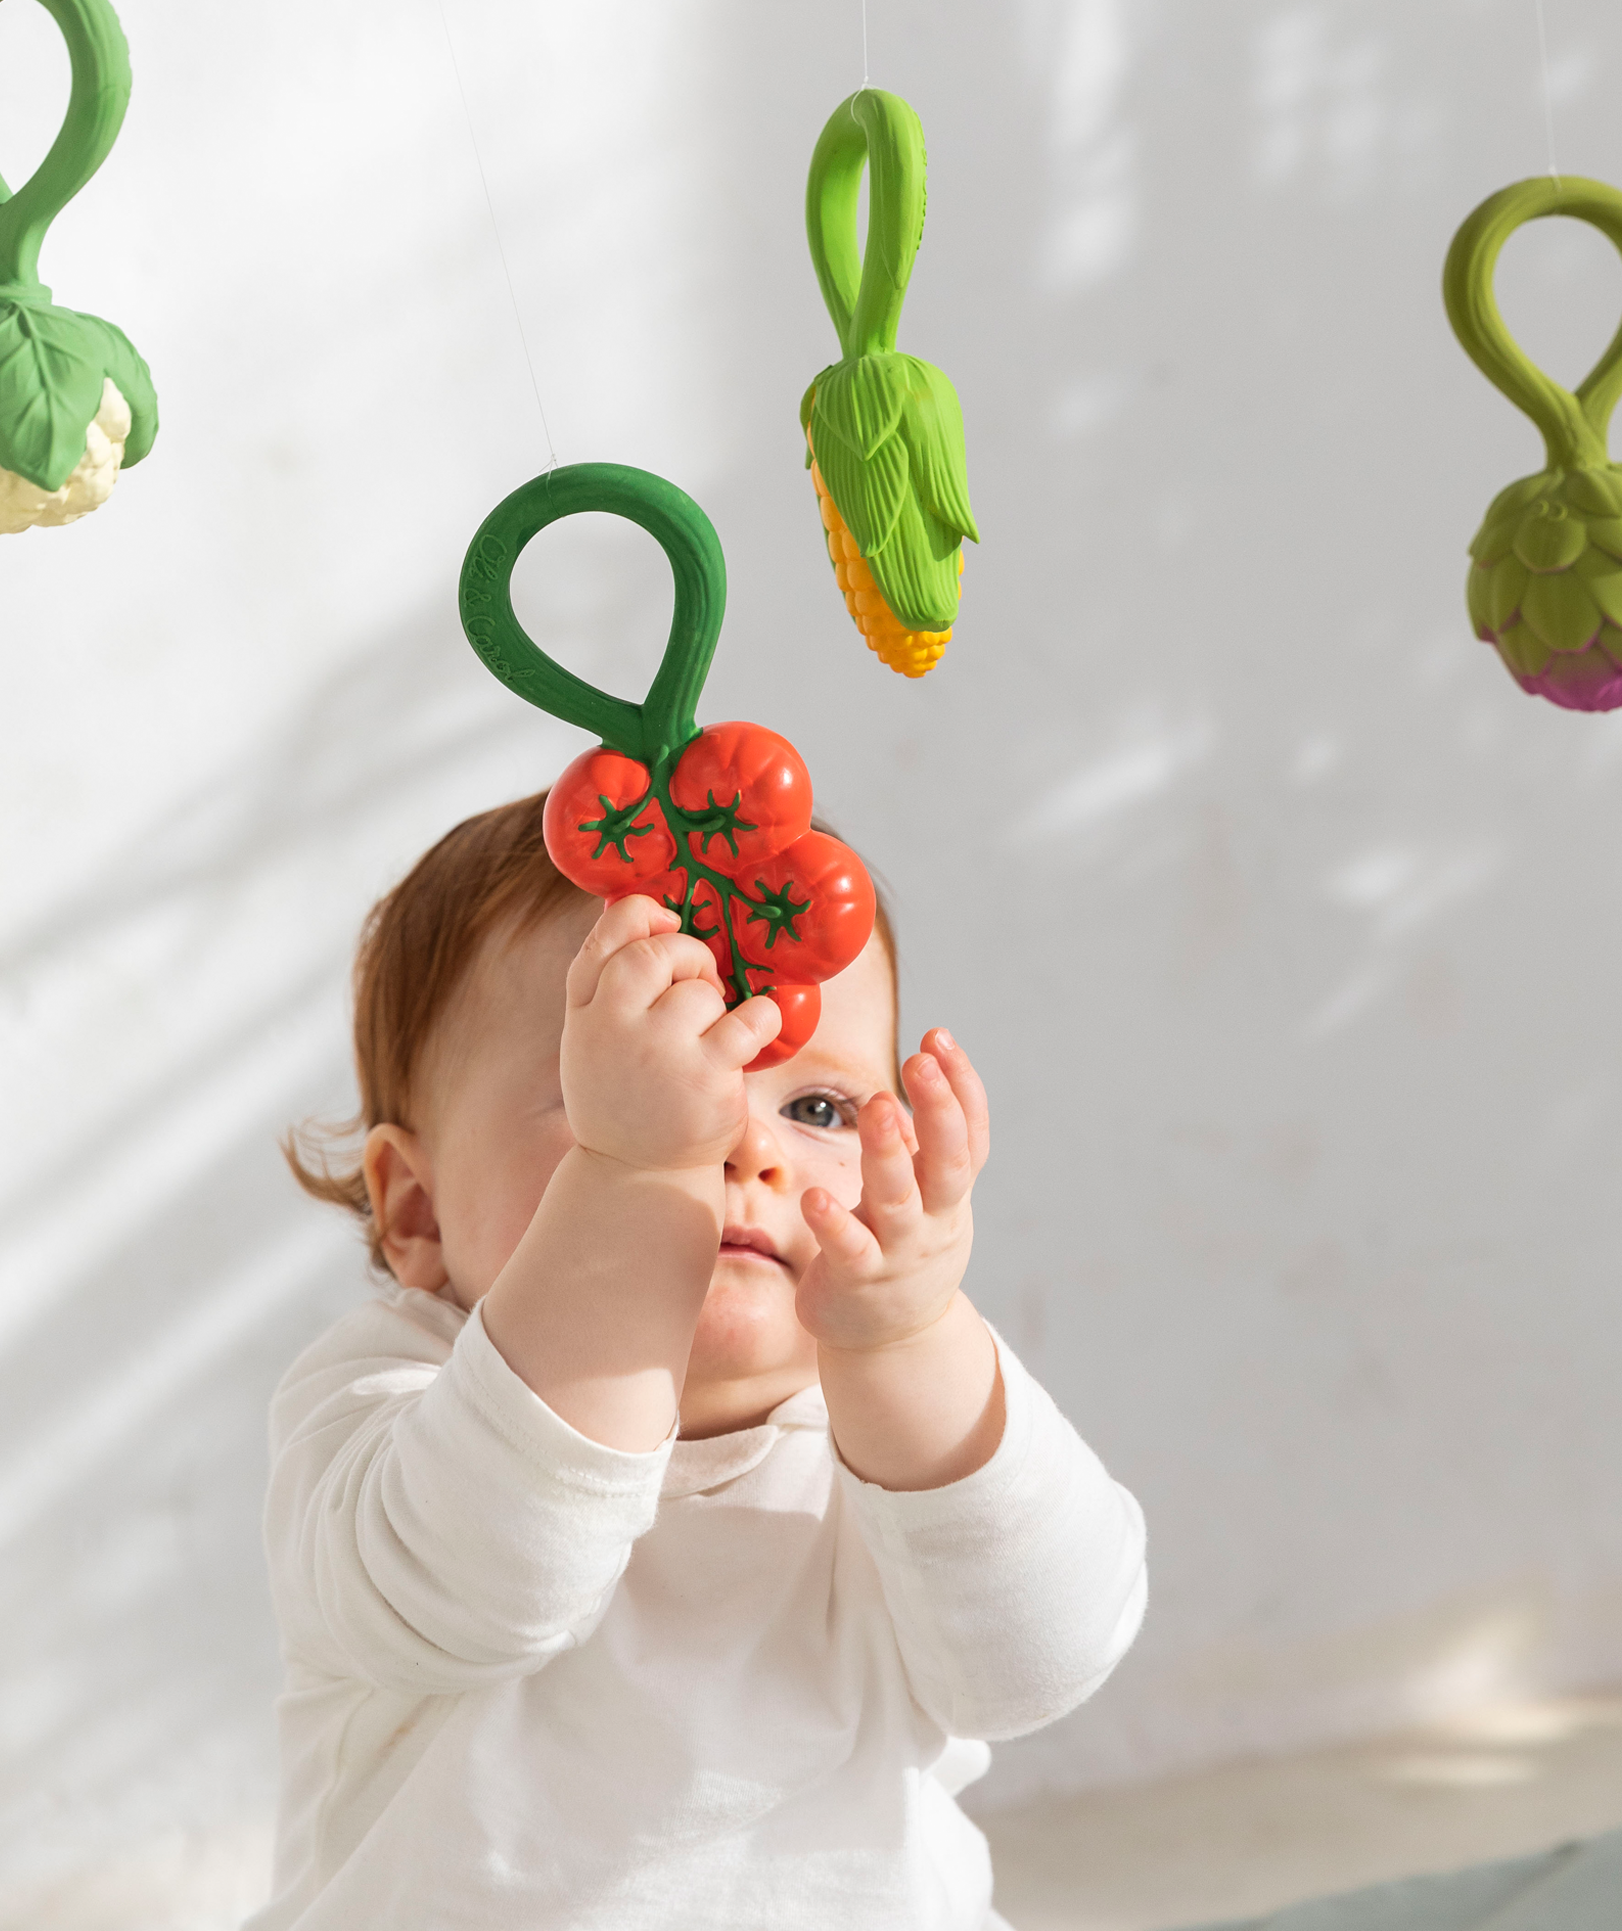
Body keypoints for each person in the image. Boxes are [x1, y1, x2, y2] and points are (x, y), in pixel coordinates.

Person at [247, 792, 1147, 1930]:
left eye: (814, 1101)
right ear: (415, 1209)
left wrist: (916, 1339)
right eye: (619, 1097)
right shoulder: (383, 1399)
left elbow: (1039, 1661)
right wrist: (630, 1185)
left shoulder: (891, 1402)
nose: (742, 1147)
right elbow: (491, 1585)